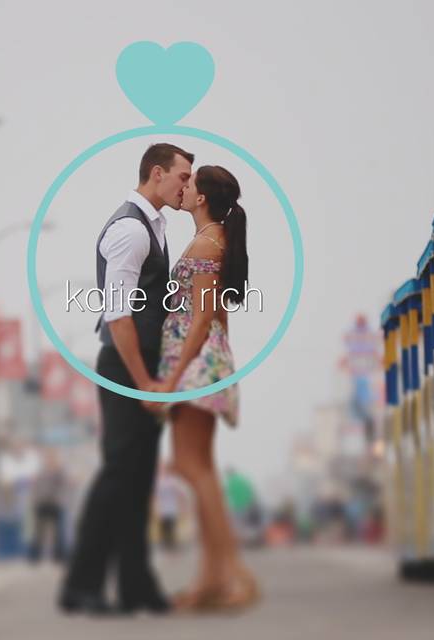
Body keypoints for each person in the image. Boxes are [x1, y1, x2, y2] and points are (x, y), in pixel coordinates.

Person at [58, 143, 193, 615]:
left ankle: (136, 585)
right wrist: (142, 382)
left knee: (138, 479)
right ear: (157, 174)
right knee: (119, 474)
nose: (186, 186)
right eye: (182, 176)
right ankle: (81, 585)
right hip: (126, 366)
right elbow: (119, 317)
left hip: (145, 367)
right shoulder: (130, 231)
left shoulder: (153, 225)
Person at [146, 165, 260, 612]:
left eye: (190, 184)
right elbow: (216, 320)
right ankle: (211, 581)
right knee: (197, 468)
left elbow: (202, 320)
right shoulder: (212, 240)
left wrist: (172, 382)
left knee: (192, 468)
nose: (183, 187)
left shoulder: (209, 242)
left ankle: (235, 574)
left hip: (195, 364)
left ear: (201, 198)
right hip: (202, 362)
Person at [27, 448, 68, 564]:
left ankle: (59, 556)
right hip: (41, 503)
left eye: (52, 457)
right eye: (48, 458)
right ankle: (34, 556)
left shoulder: (60, 472)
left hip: (56, 504)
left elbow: (63, 487)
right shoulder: (41, 472)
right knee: (39, 531)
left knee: (59, 532)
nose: (50, 460)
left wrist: (59, 500)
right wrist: (35, 500)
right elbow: (35, 487)